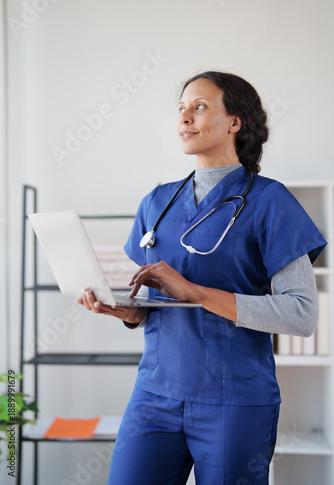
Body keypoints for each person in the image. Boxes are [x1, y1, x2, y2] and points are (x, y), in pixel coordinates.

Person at [76, 71, 327, 485]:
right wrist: (124, 309)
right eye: (180, 109)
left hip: (235, 400)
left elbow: (301, 315)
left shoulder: (270, 201)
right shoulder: (156, 202)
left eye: (200, 107)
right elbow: (146, 307)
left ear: (235, 122)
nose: (185, 118)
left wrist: (195, 293)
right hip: (155, 393)